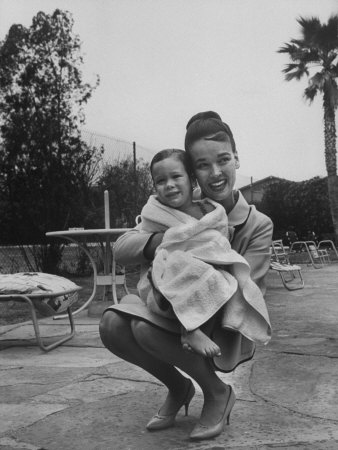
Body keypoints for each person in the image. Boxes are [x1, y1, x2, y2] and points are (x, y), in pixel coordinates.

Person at [99, 111, 273, 441]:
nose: (216, 172)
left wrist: (193, 295)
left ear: (236, 157)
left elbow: (249, 292)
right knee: (111, 325)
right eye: (203, 165)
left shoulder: (256, 223)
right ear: (193, 173)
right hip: (170, 301)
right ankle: (178, 387)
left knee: (143, 329)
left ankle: (217, 393)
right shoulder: (177, 205)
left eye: (223, 160)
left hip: (220, 319)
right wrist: (168, 239)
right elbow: (123, 247)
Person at [138, 148, 271, 359]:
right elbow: (135, 243)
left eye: (176, 177)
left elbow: (218, 239)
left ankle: (196, 324)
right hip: (170, 273)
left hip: (204, 271)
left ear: (191, 180)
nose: (169, 184)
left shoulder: (210, 210)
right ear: (154, 187)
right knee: (178, 262)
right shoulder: (156, 213)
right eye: (161, 181)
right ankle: (189, 331)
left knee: (222, 278)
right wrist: (173, 240)